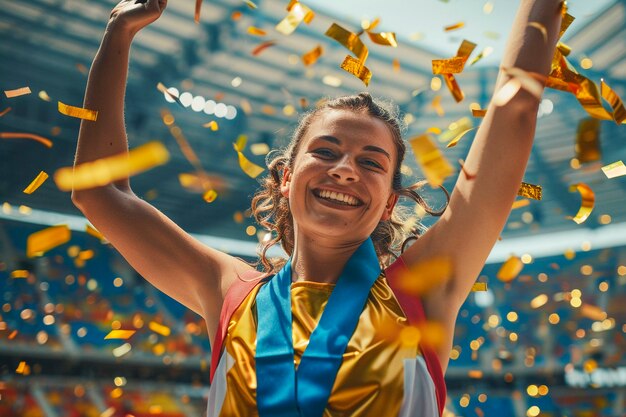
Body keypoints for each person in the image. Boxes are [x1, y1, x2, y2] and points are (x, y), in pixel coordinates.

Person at [71, 0, 564, 416]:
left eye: (371, 162)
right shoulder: (229, 294)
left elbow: (516, 105)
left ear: (391, 201)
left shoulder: (423, 290)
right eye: (326, 152)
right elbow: (98, 194)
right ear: (286, 178)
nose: (345, 169)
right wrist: (119, 32)